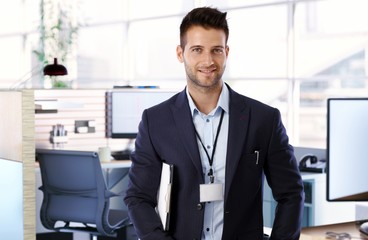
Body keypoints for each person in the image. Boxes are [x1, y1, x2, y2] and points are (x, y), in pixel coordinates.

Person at [124, 7, 304, 240]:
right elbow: (138, 197)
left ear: (226, 52)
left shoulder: (263, 119)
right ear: (180, 53)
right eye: (197, 50)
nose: (208, 61)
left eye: (216, 50)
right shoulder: (155, 121)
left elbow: (291, 193)